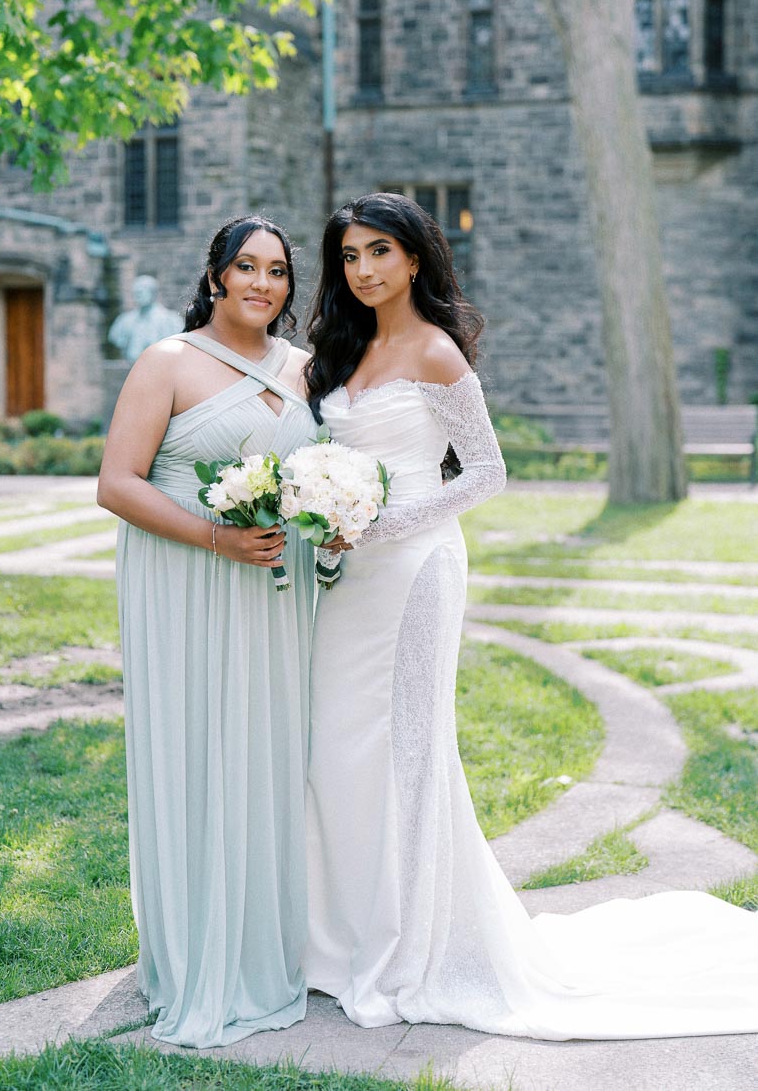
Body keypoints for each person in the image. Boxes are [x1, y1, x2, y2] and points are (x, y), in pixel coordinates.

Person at [302, 191, 758, 1040]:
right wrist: (326, 522)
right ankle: (339, 937)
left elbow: (485, 471)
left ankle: (416, 944)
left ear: (414, 258)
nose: (363, 270)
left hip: (418, 568)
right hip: (351, 579)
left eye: (379, 253)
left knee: (408, 749)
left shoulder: (436, 352)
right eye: (350, 256)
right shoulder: (343, 347)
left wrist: (384, 523)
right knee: (336, 742)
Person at [97, 216, 317, 1048]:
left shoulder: (307, 371)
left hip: (276, 595)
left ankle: (270, 936)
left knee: (269, 754)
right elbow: (117, 483)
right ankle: (197, 950)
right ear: (216, 275)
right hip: (188, 582)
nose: (263, 284)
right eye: (247, 267)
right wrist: (215, 538)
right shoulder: (167, 362)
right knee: (198, 749)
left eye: (279, 271)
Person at [108, 274, 184, 362]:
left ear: (153, 293)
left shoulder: (171, 320)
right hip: (132, 366)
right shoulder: (124, 320)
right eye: (135, 293)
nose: (137, 297)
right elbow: (115, 338)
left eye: (140, 292)